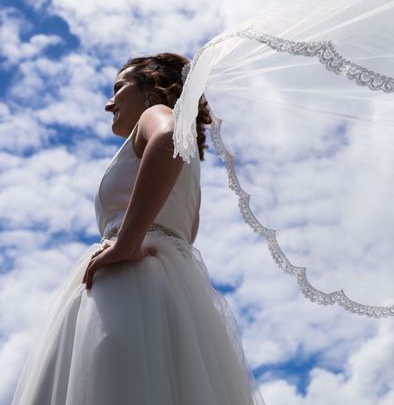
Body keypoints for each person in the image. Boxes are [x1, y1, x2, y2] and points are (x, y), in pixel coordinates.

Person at [11, 53, 263, 404]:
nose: (108, 103)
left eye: (119, 88)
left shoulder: (156, 116)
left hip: (130, 282)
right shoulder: (192, 179)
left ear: (150, 89)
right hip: (170, 296)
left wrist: (126, 243)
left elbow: (168, 138)